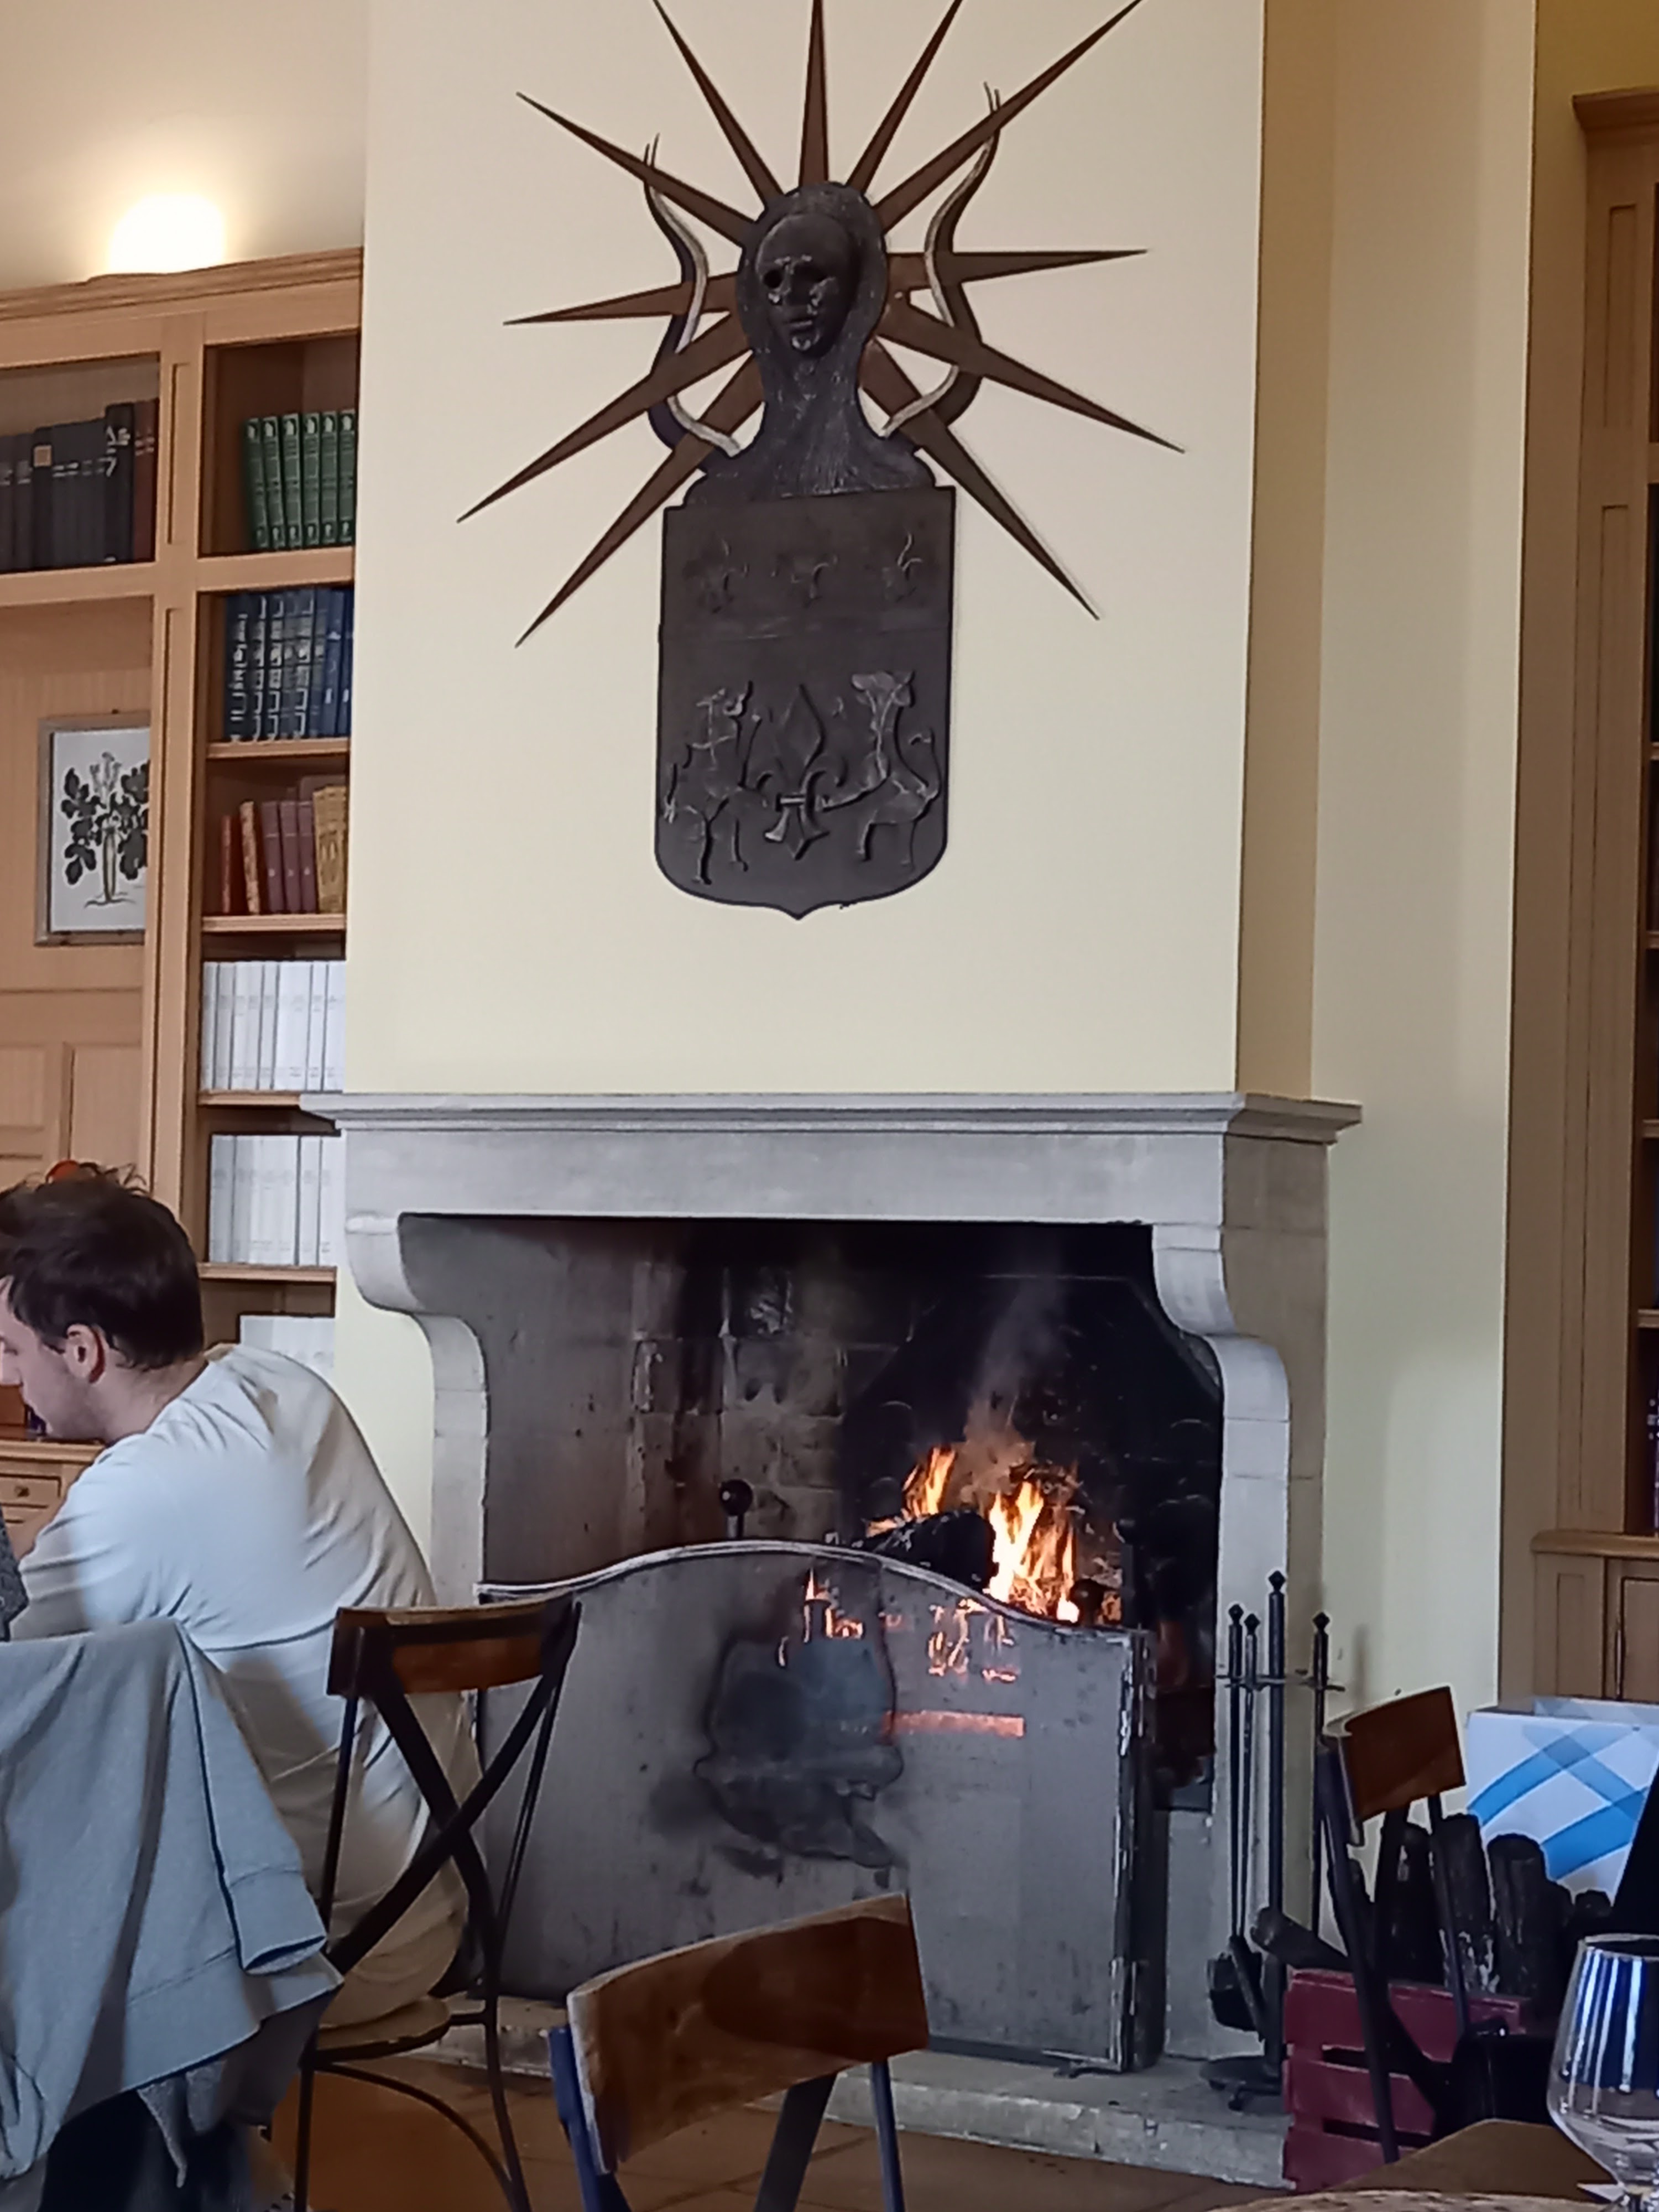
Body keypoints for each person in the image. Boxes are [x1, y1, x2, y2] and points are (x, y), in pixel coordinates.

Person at [0, 1171, 477, 2027]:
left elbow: (14, 1664)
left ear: (82, 1351)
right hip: (428, 1912)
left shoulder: (148, 1491)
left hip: (310, 1955)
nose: (9, 1376)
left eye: (11, 1350)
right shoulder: (276, 1385)